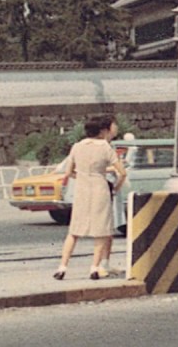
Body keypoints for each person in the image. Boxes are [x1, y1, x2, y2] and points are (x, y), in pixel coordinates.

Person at [54, 115, 126, 281]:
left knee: (74, 231)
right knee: (101, 231)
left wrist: (82, 176)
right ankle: (94, 268)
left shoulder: (77, 146)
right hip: (100, 188)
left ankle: (62, 267)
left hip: (82, 189)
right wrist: (115, 188)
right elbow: (122, 172)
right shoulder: (105, 147)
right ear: (103, 130)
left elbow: (68, 172)